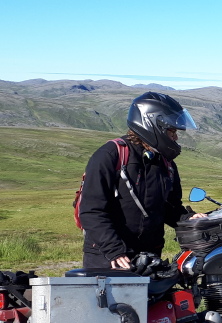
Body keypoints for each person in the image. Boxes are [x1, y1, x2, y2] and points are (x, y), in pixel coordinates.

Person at [78, 92, 204, 269]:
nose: (175, 137)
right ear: (153, 124)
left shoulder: (166, 163)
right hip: (109, 259)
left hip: (148, 256)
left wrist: (188, 218)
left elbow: (168, 207)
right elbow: (91, 210)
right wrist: (114, 249)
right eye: (172, 131)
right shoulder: (111, 155)